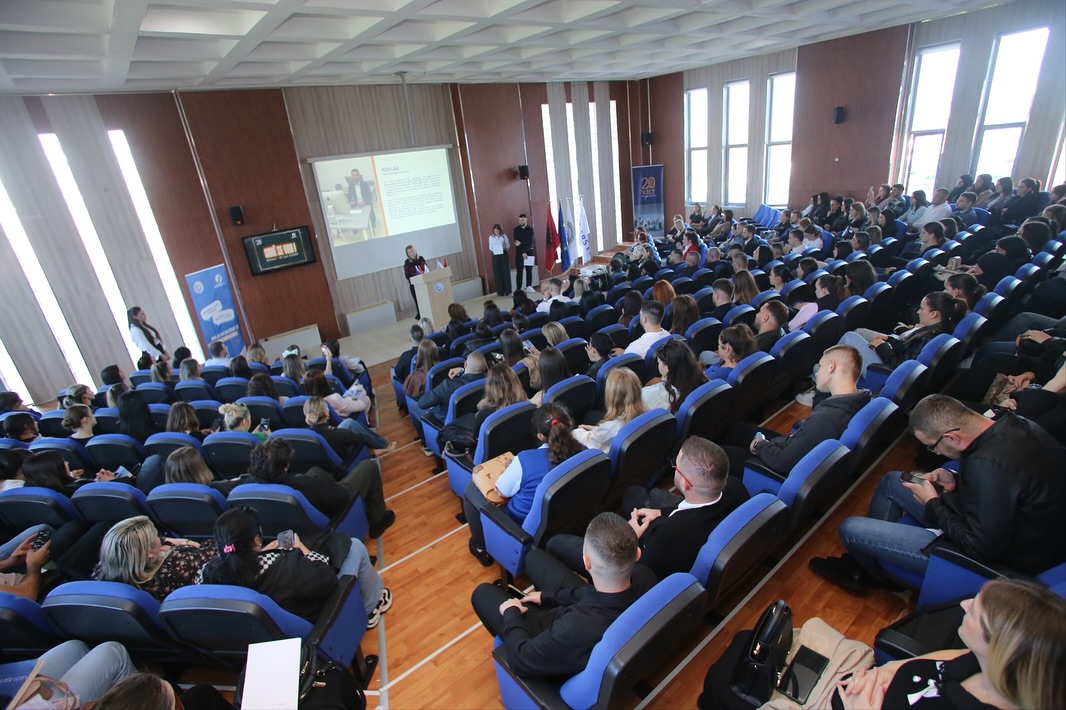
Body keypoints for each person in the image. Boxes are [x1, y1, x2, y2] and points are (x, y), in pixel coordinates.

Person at [810, 394, 1066, 593]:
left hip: (1002, 562)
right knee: (893, 481)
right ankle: (869, 564)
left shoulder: (986, 466)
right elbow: (1008, 488)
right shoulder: (1016, 425)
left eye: (933, 447)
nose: (937, 454)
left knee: (850, 528)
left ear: (952, 438)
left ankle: (875, 573)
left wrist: (932, 503)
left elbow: (979, 548)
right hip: (1010, 528)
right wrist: (955, 479)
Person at [470, 512, 656, 677]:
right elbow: (589, 594)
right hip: (587, 613)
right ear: (637, 554)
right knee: (533, 557)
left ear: (587, 562)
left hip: (561, 641)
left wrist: (511, 612)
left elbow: (521, 659)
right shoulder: (645, 576)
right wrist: (547, 597)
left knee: (482, 593)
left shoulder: (573, 628)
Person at [549, 436, 749, 581]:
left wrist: (630, 537)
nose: (674, 469)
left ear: (686, 483)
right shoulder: (735, 487)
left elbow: (637, 577)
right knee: (633, 494)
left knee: (555, 542)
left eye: (676, 467)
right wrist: (661, 512)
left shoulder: (666, 535)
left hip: (658, 551)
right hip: (686, 526)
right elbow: (693, 511)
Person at [200, 506, 392, 629]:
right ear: (256, 539)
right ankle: (371, 607)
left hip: (275, 627)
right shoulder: (287, 566)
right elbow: (328, 579)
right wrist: (301, 548)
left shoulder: (211, 573)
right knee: (355, 547)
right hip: (316, 617)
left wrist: (260, 554)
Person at [722, 344, 871, 478]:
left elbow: (783, 462)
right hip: (791, 444)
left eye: (820, 366)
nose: (817, 373)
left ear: (831, 367)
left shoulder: (826, 420)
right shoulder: (857, 399)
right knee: (735, 430)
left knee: (716, 455)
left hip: (774, 464)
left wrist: (760, 445)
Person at [464, 402, 585, 565]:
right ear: (569, 424)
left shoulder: (525, 460)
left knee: (471, 489)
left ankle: (480, 547)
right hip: (562, 517)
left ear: (540, 436)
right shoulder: (584, 451)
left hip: (520, 524)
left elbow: (501, 492)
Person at [837, 292, 966, 376]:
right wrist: (889, 339)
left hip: (885, 372)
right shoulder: (939, 329)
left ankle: (826, 372)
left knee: (849, 337)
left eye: (922, 309)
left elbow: (899, 367)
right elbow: (907, 349)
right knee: (859, 332)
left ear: (933, 314)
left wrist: (882, 347)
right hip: (893, 357)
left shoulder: (927, 337)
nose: (918, 312)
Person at [94, 515, 215, 601]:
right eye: (157, 536)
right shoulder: (178, 564)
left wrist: (166, 542)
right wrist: (186, 542)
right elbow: (215, 550)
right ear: (150, 557)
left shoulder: (102, 570)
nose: (161, 539)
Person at [410, 351, 488, 453]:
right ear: (484, 368)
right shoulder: (490, 379)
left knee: (414, 407)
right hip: (474, 419)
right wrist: (462, 370)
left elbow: (422, 403)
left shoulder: (447, 386)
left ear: (465, 364)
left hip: (448, 423)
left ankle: (427, 446)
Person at [573, 368, 646, 452]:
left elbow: (585, 441)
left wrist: (579, 431)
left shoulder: (611, 428)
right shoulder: (649, 411)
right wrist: (595, 429)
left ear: (612, 398)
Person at [643, 339, 708, 413]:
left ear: (667, 368)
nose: (658, 365)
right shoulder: (702, 378)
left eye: (659, 362)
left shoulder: (658, 394)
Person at [403, 245, 429, 319]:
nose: (412, 253)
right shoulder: (407, 262)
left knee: (426, 300)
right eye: (410, 252)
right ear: (408, 254)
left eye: (413, 251)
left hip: (424, 283)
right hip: (414, 285)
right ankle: (421, 317)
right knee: (419, 302)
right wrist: (416, 277)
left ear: (415, 251)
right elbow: (407, 275)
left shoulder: (421, 258)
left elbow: (426, 269)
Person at [513, 213, 535, 292]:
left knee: (529, 270)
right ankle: (518, 288)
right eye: (519, 220)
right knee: (519, 271)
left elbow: (529, 242)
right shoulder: (516, 230)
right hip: (520, 253)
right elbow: (516, 243)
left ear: (526, 220)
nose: (520, 221)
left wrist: (521, 243)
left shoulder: (530, 229)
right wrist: (522, 252)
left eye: (522, 220)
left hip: (529, 251)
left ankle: (529, 286)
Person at [488, 223, 512, 296]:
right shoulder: (491, 237)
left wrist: (503, 247)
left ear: (500, 231)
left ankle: (507, 290)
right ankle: (500, 291)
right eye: (495, 231)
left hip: (503, 254)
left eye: (498, 231)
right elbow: (490, 247)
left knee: (505, 272)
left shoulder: (504, 236)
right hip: (495, 255)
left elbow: (508, 245)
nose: (496, 233)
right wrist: (495, 248)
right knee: (497, 273)